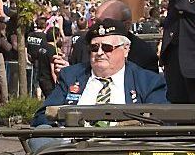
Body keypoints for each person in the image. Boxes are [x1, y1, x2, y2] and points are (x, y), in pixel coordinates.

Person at [31, 20, 168, 129]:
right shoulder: (71, 76)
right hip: (74, 151)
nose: (100, 53)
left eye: (107, 48)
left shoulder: (148, 81)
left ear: (126, 50)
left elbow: (162, 121)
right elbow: (42, 116)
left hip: (127, 152)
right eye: (94, 48)